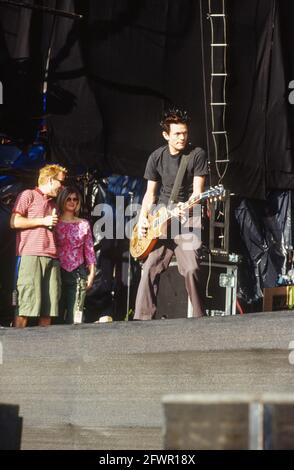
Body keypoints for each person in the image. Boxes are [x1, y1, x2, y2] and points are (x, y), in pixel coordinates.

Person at [134, 108, 208, 320]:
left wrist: (186, 207)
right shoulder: (156, 157)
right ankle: (141, 321)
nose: (182, 137)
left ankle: (200, 319)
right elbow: (150, 194)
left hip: (187, 218)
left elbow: (198, 193)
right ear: (166, 135)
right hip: (161, 220)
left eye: (184, 133)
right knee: (149, 269)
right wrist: (142, 220)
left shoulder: (196, 155)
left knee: (192, 269)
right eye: (177, 134)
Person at [10, 164, 67, 328]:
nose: (61, 187)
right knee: (25, 306)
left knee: (48, 309)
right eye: (60, 182)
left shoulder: (54, 205)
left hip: (52, 259)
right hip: (31, 255)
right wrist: (43, 221)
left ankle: (44, 351)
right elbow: (14, 222)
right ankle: (18, 347)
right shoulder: (28, 195)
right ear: (50, 180)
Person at [55, 186, 96, 324]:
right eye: (68, 199)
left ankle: (74, 343)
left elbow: (89, 249)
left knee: (76, 315)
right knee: (56, 313)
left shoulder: (84, 224)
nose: (72, 202)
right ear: (62, 200)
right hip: (58, 271)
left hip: (78, 271)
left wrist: (92, 273)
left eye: (75, 199)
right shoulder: (55, 222)